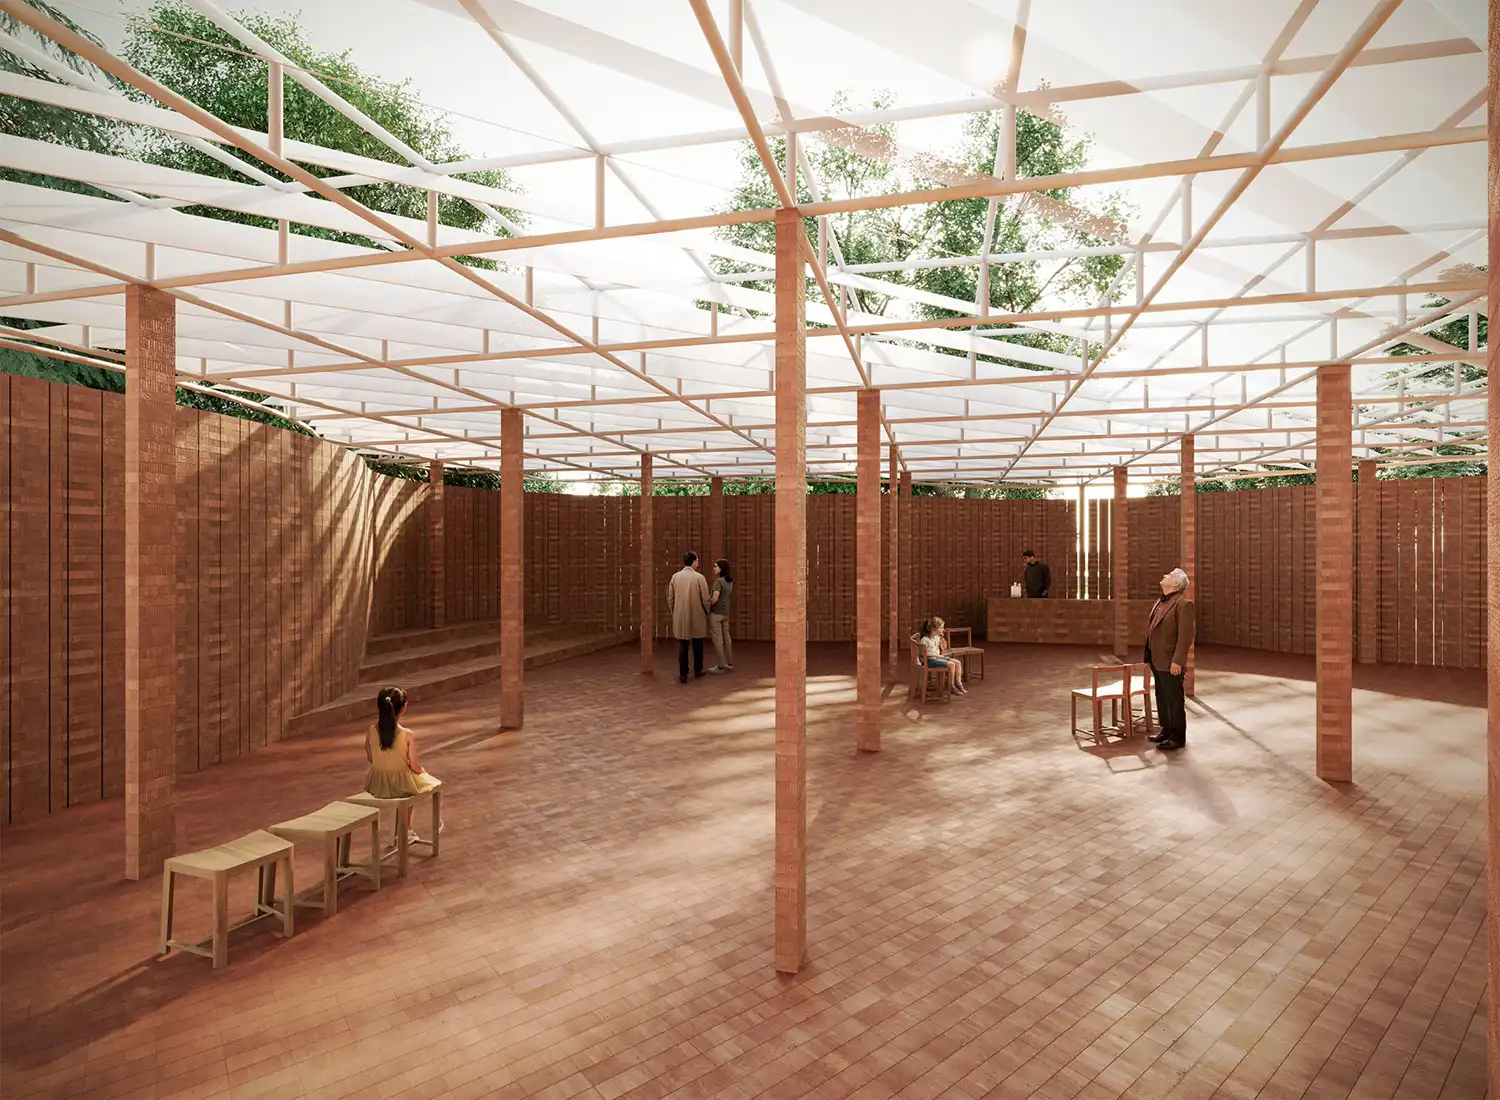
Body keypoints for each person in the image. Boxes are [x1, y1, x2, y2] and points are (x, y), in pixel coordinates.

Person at [364, 686, 444, 844]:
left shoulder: (371, 730)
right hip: (401, 785)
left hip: (377, 784)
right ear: (404, 708)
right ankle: (429, 824)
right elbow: (414, 765)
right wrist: (422, 772)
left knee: (408, 782)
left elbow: (370, 757)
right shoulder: (407, 735)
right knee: (428, 784)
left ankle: (406, 829)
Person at [1144, 568, 1196, 750]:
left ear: (1175, 583)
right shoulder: (1160, 602)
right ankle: (1165, 730)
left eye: (1169, 575)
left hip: (1170, 661)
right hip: (1157, 659)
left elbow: (1185, 636)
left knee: (1174, 699)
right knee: (1161, 696)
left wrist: (1178, 661)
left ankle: (1177, 737)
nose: (1164, 575)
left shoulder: (1184, 605)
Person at [667, 550, 711, 684]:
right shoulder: (699, 578)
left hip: (680, 616)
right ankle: (697, 670)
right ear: (693, 562)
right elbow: (705, 599)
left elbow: (671, 598)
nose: (698, 563)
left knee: (683, 645)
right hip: (697, 614)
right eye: (697, 560)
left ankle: (683, 674)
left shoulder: (675, 577)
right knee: (697, 644)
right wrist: (707, 611)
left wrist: (674, 612)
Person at [918, 616, 968, 696]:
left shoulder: (937, 638)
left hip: (936, 658)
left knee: (957, 663)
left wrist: (942, 642)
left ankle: (958, 684)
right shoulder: (924, 640)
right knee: (951, 665)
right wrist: (937, 656)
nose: (942, 629)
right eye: (941, 628)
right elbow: (924, 654)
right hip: (929, 661)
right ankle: (951, 686)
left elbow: (943, 648)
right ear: (933, 630)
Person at [708, 558, 735, 673]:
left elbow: (714, 599)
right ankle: (729, 662)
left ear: (721, 568)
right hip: (725, 614)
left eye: (716, 566)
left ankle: (720, 665)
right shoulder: (730, 582)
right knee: (727, 638)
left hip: (716, 614)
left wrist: (706, 603)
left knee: (718, 640)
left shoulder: (719, 582)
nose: (714, 568)